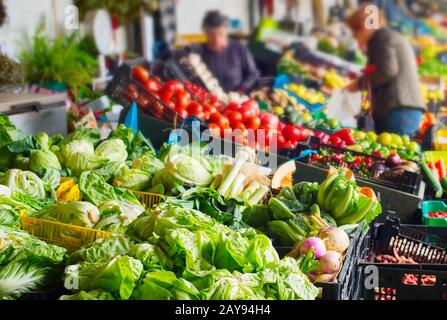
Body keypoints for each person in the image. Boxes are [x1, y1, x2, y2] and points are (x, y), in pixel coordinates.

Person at [345, 4, 426, 136]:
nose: (357, 38)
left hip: (398, 110)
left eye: (356, 33)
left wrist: (358, 84)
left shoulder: (381, 38)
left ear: (363, 27)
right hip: (404, 110)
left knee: (390, 154)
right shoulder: (386, 36)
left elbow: (387, 70)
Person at [176, 10, 260, 93]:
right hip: (207, 102)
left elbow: (253, 73)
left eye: (220, 34)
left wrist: (242, 89)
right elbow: (177, 56)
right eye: (212, 35)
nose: (216, 39)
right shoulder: (197, 51)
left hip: (236, 100)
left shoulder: (239, 49)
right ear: (206, 34)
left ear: (226, 32)